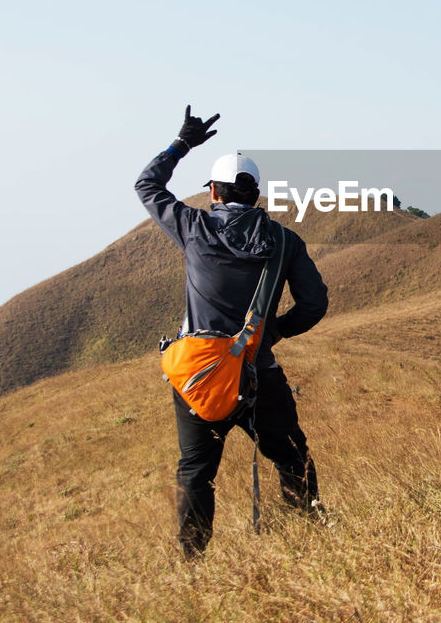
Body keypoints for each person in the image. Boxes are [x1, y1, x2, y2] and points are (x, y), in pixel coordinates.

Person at [135, 106, 329, 556]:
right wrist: (275, 332)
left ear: (215, 193)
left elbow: (146, 185)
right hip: (259, 373)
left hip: (200, 378)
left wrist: (180, 144)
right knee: (291, 456)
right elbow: (315, 304)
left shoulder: (195, 228)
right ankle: (308, 542)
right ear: (256, 194)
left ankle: (192, 562)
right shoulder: (284, 242)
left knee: (196, 471)